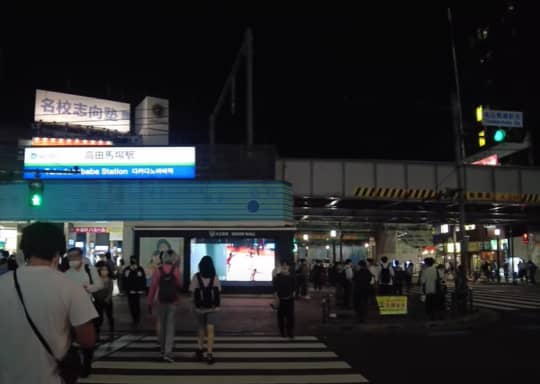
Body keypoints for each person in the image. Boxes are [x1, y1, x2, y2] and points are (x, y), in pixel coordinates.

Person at [0, 222, 97, 383]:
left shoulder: (3, 284)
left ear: (24, 251)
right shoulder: (71, 288)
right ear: (58, 253)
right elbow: (87, 339)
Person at [63, 247, 103, 376]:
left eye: (75, 256)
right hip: (70, 310)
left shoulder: (89, 270)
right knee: (71, 341)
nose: (72, 259)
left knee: (87, 341)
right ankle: (76, 366)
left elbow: (99, 285)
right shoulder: (67, 273)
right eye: (70, 257)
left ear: (81, 257)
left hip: (86, 308)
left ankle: (86, 366)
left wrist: (88, 288)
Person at [147, 249, 181, 362]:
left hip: (160, 301)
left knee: (161, 325)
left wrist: (149, 302)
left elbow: (153, 288)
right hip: (173, 301)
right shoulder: (176, 270)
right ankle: (168, 352)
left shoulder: (158, 271)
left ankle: (162, 349)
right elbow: (179, 285)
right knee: (170, 327)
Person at [191, 255, 221, 365]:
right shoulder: (215, 277)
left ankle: (200, 349)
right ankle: (209, 354)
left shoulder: (196, 277)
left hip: (199, 308)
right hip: (212, 308)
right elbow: (218, 291)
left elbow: (192, 292)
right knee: (210, 331)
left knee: (201, 328)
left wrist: (195, 305)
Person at [272, 260, 295, 338]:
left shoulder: (292, 277)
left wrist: (293, 294)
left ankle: (289, 331)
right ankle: (282, 332)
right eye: (283, 265)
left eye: (286, 265)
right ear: (281, 267)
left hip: (289, 300)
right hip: (281, 300)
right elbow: (275, 288)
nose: (285, 267)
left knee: (290, 317)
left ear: (289, 267)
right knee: (281, 317)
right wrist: (276, 298)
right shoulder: (278, 277)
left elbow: (294, 287)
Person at [94, 261, 115, 340]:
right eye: (102, 270)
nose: (104, 271)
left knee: (110, 316)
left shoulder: (109, 280)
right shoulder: (96, 280)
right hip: (98, 301)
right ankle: (97, 333)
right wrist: (95, 298)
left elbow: (110, 291)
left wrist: (107, 299)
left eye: (106, 270)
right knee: (99, 318)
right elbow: (95, 290)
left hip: (107, 301)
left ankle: (112, 330)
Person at [123, 256, 147, 325]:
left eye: (134, 260)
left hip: (137, 290)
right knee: (132, 305)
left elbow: (143, 279)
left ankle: (137, 318)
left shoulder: (139, 269)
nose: (133, 262)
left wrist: (142, 288)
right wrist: (125, 289)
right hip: (130, 290)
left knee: (136, 304)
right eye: (132, 260)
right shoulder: (127, 269)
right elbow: (124, 279)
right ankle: (134, 318)